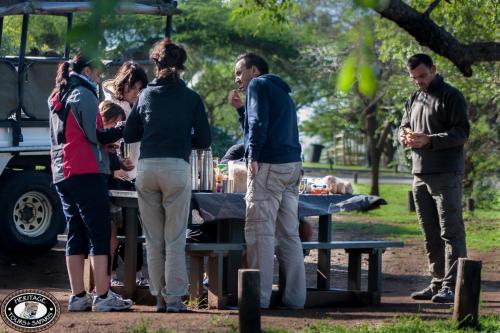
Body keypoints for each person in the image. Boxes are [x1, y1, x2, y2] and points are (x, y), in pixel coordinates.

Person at [124, 38, 212, 312]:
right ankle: (174, 299)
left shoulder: (146, 96)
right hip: (176, 168)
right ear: (182, 66)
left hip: (147, 169)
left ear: (155, 63)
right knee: (174, 237)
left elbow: (129, 134)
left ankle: (158, 297)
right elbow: (205, 140)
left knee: (153, 239)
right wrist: (184, 138)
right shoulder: (191, 97)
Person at [48, 54, 133, 312]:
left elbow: (75, 135)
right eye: (97, 73)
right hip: (85, 170)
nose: (98, 78)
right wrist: (124, 128)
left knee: (75, 232)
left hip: (62, 172)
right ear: (87, 70)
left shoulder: (57, 95)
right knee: (98, 233)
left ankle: (78, 296)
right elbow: (95, 135)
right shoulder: (83, 95)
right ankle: (104, 296)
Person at [233, 52, 305, 309]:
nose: (237, 79)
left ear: (254, 70)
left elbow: (258, 121)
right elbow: (258, 122)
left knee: (259, 231)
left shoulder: (259, 84)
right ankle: (296, 299)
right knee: (289, 234)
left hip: (269, 166)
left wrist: (253, 153)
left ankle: (258, 300)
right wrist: (241, 110)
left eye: (240, 72)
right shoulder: (281, 91)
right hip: (292, 165)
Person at [399, 54, 469, 303]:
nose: (418, 81)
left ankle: (453, 285)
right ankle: (437, 282)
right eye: (414, 78)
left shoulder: (452, 95)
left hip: (446, 172)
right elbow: (403, 127)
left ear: (434, 70)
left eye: (422, 76)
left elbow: (462, 132)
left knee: (450, 232)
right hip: (419, 173)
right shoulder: (414, 98)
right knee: (430, 232)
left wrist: (430, 139)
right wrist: (405, 136)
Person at [102, 62, 149, 287]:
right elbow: (107, 143)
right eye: (135, 88)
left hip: (131, 174)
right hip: (113, 178)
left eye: (141, 89)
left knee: (133, 228)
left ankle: (135, 274)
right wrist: (117, 165)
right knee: (114, 231)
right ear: (125, 84)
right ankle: (108, 278)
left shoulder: (138, 105)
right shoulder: (112, 105)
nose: (138, 93)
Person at [98, 100, 134, 287]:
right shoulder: (97, 140)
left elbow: (111, 162)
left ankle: (107, 282)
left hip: (112, 195)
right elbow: (97, 166)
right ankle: (103, 284)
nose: (116, 130)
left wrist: (121, 164)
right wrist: (114, 172)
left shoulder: (110, 145)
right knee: (108, 240)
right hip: (101, 194)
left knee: (113, 240)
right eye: (115, 124)